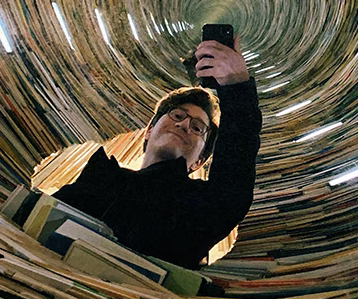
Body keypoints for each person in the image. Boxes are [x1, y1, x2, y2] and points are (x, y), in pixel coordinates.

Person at [53, 37, 261, 270]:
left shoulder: (204, 206)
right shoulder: (100, 177)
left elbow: (237, 163)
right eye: (178, 116)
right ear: (149, 131)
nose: (183, 126)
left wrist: (236, 85)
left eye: (197, 128)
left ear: (199, 162)